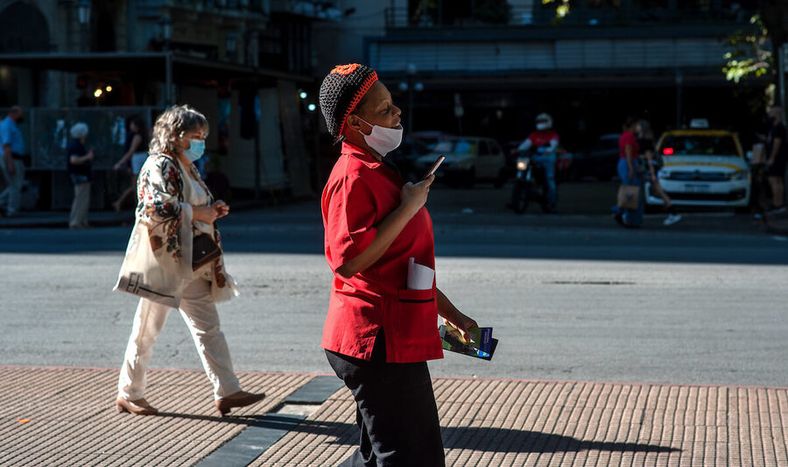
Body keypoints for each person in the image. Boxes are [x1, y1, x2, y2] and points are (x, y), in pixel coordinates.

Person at [319, 63, 479, 466]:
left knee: (380, 455)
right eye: (386, 109)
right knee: (410, 457)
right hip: (375, 339)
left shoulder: (380, 171)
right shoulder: (352, 176)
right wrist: (408, 208)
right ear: (355, 122)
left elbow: (405, 264)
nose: (397, 115)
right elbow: (349, 261)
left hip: (393, 336)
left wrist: (454, 315)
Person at [113, 105, 265, 417]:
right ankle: (129, 393)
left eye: (203, 136)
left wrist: (212, 209)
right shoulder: (160, 164)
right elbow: (153, 207)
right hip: (165, 262)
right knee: (146, 330)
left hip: (191, 261)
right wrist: (199, 213)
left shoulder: (186, 166)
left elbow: (192, 205)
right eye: (195, 136)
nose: (200, 142)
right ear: (175, 135)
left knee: (209, 328)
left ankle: (227, 390)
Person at [637, 120, 681, 226]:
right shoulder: (648, 139)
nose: (636, 127)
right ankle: (671, 211)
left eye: (638, 126)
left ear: (642, 127)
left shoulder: (644, 141)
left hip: (649, 169)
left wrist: (652, 173)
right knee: (657, 192)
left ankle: (673, 213)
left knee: (658, 191)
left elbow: (649, 158)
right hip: (651, 169)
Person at [517, 113, 559, 211]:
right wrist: (518, 150)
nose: (541, 123)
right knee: (522, 167)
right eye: (539, 122)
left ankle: (551, 200)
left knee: (550, 180)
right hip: (535, 157)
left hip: (548, 159)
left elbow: (553, 146)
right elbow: (525, 145)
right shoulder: (534, 135)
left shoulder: (553, 135)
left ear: (549, 122)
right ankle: (523, 190)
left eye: (543, 121)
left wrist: (546, 150)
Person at [111, 116, 149, 212]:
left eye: (132, 124)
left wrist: (120, 163)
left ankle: (134, 206)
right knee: (136, 185)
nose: (130, 126)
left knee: (136, 185)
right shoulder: (143, 135)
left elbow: (131, 151)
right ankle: (121, 202)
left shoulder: (137, 136)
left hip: (138, 160)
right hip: (140, 159)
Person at [614, 117, 644, 228]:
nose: (638, 128)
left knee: (630, 190)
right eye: (637, 125)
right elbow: (628, 152)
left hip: (626, 162)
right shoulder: (629, 136)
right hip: (628, 163)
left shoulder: (625, 136)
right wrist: (631, 167)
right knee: (631, 191)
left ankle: (623, 213)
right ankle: (625, 215)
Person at [0, 106, 26, 217]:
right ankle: (11, 209)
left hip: (16, 158)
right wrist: (10, 163)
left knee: (15, 184)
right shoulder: (7, 125)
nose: (22, 116)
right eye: (20, 114)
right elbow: (6, 145)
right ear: (13, 113)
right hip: (11, 158)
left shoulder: (12, 125)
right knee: (15, 185)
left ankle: (7, 205)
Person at [67, 123, 93, 229]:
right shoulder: (76, 145)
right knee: (80, 197)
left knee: (83, 197)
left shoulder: (76, 144)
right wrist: (87, 157)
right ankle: (76, 221)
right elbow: (73, 160)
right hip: (80, 174)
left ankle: (81, 220)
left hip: (80, 173)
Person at [765, 106, 787, 215]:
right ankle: (778, 203)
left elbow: (777, 144)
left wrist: (772, 158)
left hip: (777, 158)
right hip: (777, 158)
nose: (769, 113)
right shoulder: (774, 127)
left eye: (771, 111)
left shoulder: (779, 127)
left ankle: (777, 204)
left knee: (774, 180)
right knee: (777, 180)